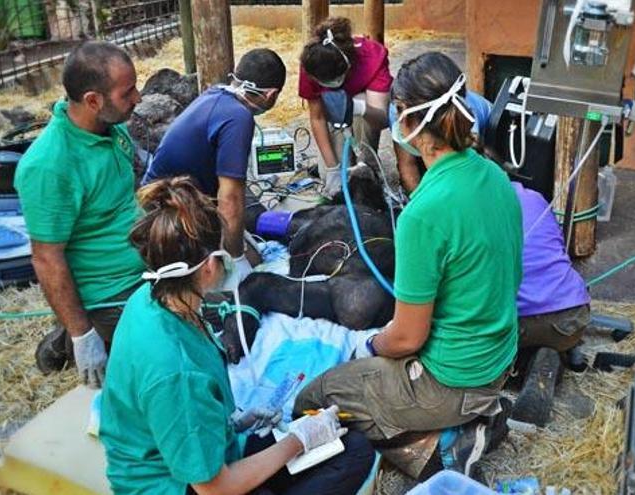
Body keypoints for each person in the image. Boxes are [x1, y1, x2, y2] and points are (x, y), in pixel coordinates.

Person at [295, 53, 523, 479]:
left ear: (409, 121)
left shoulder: (423, 213)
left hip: (453, 379)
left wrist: (369, 346)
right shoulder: (494, 175)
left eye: (397, 111)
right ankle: (467, 415)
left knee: (316, 396)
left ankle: (441, 449)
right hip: (498, 360)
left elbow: (406, 338)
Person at [100, 177, 375, 495]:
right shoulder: (176, 373)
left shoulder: (155, 296)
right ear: (207, 268)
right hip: (175, 485)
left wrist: (232, 422)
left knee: (351, 449)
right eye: (222, 252)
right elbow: (214, 488)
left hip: (203, 451)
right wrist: (298, 441)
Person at [14, 41, 145, 388]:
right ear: (92, 101)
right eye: (128, 92)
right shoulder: (48, 166)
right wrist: (82, 334)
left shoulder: (111, 128)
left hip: (141, 268)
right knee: (174, 345)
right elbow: (46, 257)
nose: (139, 98)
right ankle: (78, 334)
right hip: (109, 291)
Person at [143, 49, 287, 268]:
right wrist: (236, 260)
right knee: (247, 265)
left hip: (170, 193)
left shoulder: (215, 94)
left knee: (253, 252)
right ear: (271, 95)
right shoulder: (239, 117)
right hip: (167, 211)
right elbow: (230, 200)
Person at [508, 181, 591, 428]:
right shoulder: (535, 197)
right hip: (571, 317)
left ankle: (523, 362)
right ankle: (548, 355)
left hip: (517, 326)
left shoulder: (475, 206)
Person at [299, 17, 392, 197]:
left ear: (349, 64)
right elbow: (317, 117)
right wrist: (332, 168)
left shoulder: (373, 56)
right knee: (333, 180)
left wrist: (359, 108)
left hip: (363, 113)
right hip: (331, 115)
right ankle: (339, 166)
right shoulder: (312, 61)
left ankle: (367, 164)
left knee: (361, 97)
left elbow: (381, 120)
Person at [386, 52, 493, 194]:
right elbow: (407, 166)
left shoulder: (464, 116)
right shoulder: (398, 109)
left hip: (486, 138)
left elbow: (465, 176)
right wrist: (417, 203)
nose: (397, 114)